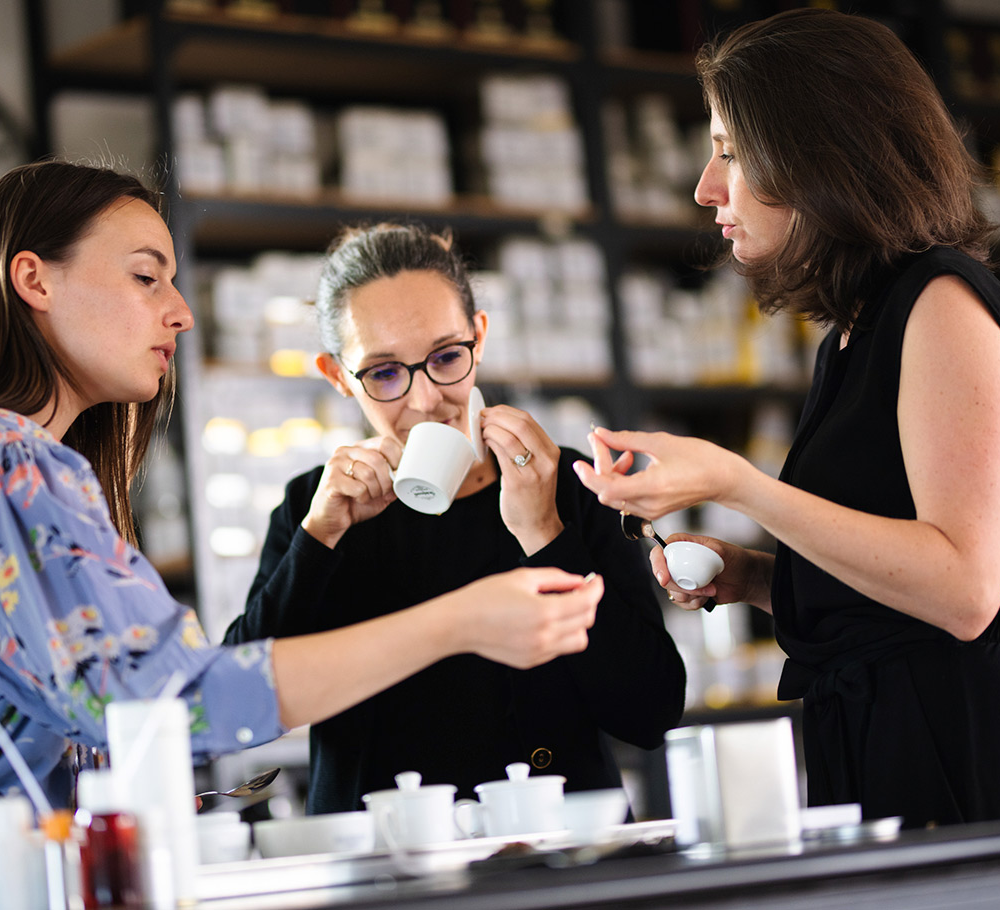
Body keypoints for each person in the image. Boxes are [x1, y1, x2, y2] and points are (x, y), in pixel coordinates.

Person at [0, 162, 605, 842]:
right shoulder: (2, 463)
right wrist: (459, 622)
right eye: (146, 277)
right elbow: (169, 703)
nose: (179, 313)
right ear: (34, 279)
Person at [575, 8, 1000, 829]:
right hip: (883, 739)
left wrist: (739, 484)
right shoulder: (855, 333)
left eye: (730, 152)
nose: (706, 187)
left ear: (820, 153)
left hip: (964, 754)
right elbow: (895, 591)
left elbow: (964, 590)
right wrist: (757, 578)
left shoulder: (940, 303)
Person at [223, 223, 686, 813]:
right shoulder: (314, 509)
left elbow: (651, 712)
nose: (424, 400)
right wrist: (319, 538)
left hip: (556, 840)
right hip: (385, 850)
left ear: (479, 338)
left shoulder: (566, 483)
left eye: (446, 358)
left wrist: (544, 532)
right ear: (338, 375)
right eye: (384, 373)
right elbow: (236, 709)